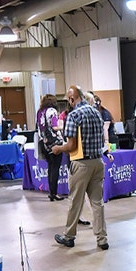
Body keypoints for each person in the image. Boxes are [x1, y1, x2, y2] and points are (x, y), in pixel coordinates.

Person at [51, 85, 109, 251]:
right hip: (98, 162)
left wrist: (57, 148)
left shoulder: (74, 115)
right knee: (97, 203)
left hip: (81, 164)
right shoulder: (96, 113)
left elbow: (71, 145)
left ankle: (69, 236)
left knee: (75, 201)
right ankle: (102, 239)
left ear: (71, 99)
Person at [37, 94, 66, 201]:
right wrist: (62, 126)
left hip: (44, 143)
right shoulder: (52, 111)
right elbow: (54, 126)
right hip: (55, 143)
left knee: (50, 168)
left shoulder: (40, 112)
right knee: (55, 168)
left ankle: (51, 192)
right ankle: (54, 193)